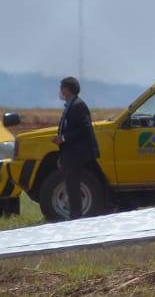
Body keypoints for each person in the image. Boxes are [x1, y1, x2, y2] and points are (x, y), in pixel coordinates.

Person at [50, 76, 100, 219]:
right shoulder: (69, 106)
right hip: (69, 154)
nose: (60, 91)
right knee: (70, 187)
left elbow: (85, 128)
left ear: (68, 89)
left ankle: (76, 218)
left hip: (77, 155)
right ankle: (74, 216)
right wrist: (62, 156)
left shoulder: (78, 105)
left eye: (62, 88)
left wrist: (64, 138)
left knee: (74, 187)